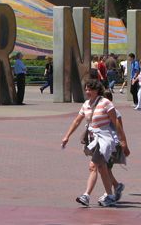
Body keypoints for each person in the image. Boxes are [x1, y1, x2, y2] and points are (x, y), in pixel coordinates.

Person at [61, 78, 121, 207]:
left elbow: (115, 121)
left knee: (93, 165)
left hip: (105, 139)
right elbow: (77, 121)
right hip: (93, 139)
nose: (87, 91)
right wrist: (67, 136)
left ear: (97, 90)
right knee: (102, 167)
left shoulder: (106, 103)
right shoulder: (86, 104)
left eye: (90, 89)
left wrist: (122, 140)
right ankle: (110, 195)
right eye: (86, 89)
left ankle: (86, 195)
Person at [84, 90, 130, 204]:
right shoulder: (98, 110)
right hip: (101, 143)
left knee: (103, 167)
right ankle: (115, 187)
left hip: (111, 144)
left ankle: (110, 191)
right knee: (104, 167)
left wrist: (124, 144)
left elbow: (120, 129)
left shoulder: (115, 112)